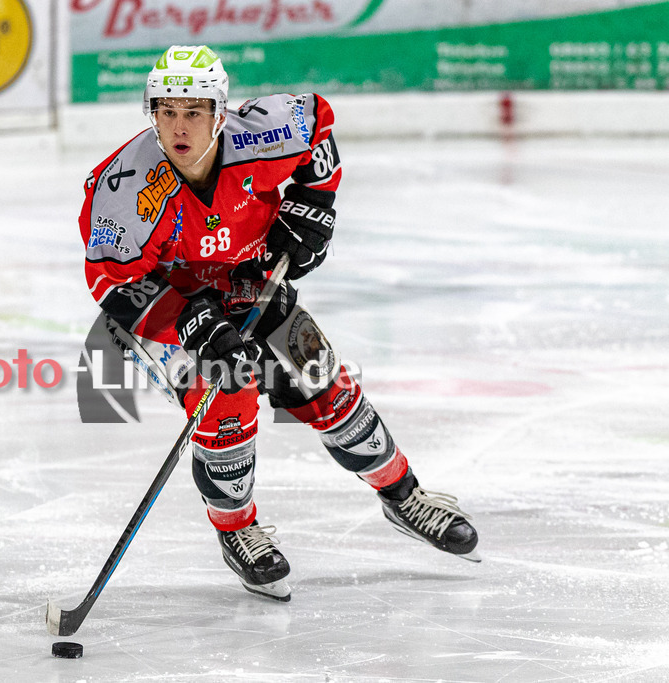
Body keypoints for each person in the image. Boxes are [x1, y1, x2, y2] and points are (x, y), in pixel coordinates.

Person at [77, 45, 478, 602]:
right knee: (228, 395)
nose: (179, 127)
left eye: (193, 111)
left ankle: (403, 496)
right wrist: (194, 323)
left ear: (219, 112)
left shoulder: (263, 134)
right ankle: (237, 531)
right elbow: (112, 282)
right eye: (166, 111)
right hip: (166, 309)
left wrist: (312, 208)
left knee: (320, 380)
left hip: (248, 281)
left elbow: (319, 126)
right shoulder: (124, 187)